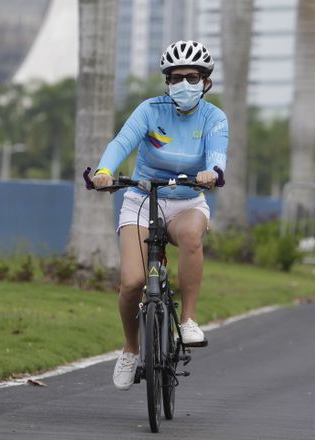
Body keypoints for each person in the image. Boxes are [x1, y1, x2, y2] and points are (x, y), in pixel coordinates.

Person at [90, 40, 229, 390]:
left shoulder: (214, 117)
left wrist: (212, 171)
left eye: (193, 77)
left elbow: (217, 153)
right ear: (167, 82)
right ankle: (130, 348)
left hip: (186, 202)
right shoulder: (149, 110)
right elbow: (122, 142)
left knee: (192, 236)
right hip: (141, 196)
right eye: (176, 78)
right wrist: (106, 170)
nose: (185, 84)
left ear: (206, 82)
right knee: (133, 284)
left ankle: (188, 320)